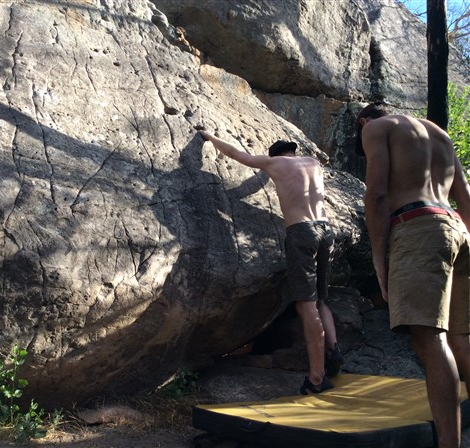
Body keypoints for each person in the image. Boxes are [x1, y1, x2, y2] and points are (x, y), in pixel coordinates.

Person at [355, 102, 470, 448]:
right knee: (461, 339)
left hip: (417, 226)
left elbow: (375, 195)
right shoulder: (440, 134)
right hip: (457, 229)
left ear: (363, 121)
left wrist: (378, 256)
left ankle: (448, 444)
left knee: (430, 340)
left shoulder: (376, 129)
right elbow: (465, 198)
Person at [199, 129, 343, 395]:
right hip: (326, 230)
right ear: (292, 151)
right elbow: (259, 183)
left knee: (306, 303)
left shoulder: (273, 163)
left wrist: (210, 138)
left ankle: (316, 376)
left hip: (301, 232)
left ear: (275, 155)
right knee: (322, 299)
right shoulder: (313, 163)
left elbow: (235, 154)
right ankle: (333, 350)